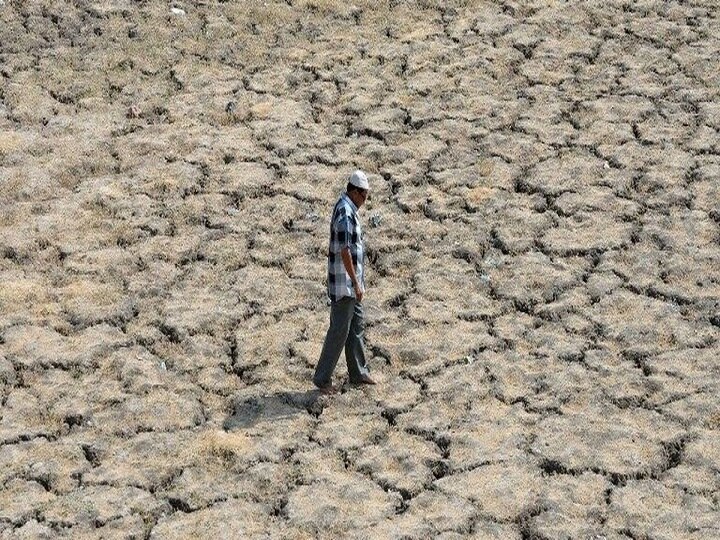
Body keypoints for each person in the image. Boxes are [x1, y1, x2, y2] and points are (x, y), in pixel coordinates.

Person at [313, 170, 377, 394]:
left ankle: (358, 373)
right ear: (355, 191)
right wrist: (356, 283)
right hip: (346, 285)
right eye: (364, 196)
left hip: (352, 284)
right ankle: (322, 379)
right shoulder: (345, 212)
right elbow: (344, 250)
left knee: (356, 327)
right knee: (339, 330)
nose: (364, 201)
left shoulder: (349, 209)